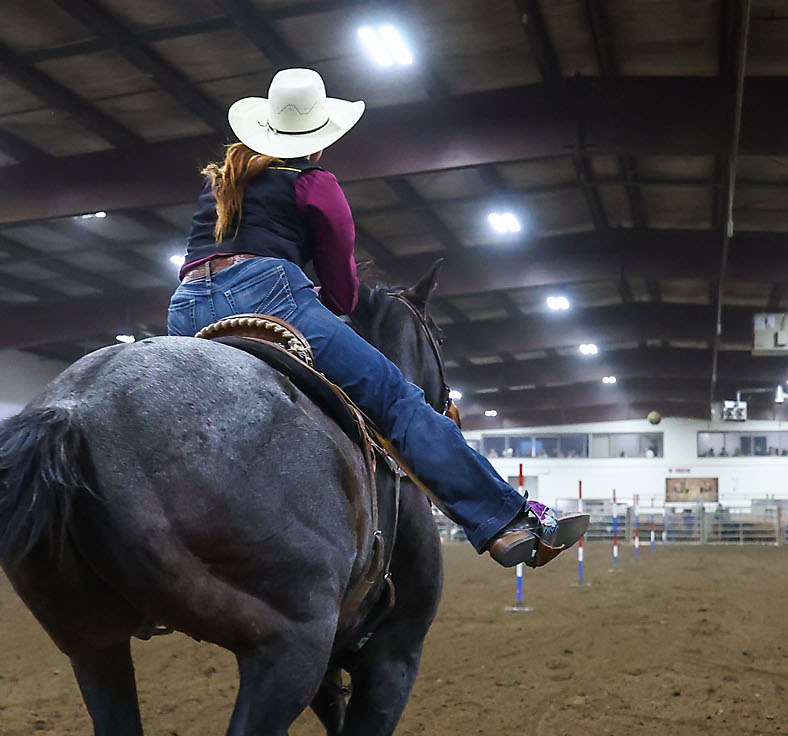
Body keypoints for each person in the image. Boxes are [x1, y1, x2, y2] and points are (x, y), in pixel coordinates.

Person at [167, 69, 580, 567]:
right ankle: (505, 521)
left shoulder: (219, 186)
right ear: (319, 143)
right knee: (397, 400)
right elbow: (342, 294)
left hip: (187, 307)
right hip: (269, 296)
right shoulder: (315, 184)